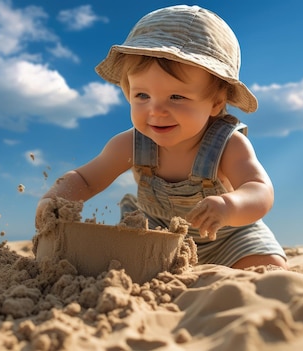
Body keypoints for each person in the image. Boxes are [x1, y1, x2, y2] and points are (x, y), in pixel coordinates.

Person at [35, 5, 287, 269]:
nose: (156, 110)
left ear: (215, 102)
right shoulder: (130, 144)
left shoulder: (227, 145)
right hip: (158, 235)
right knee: (119, 258)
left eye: (176, 97)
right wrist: (55, 199)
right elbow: (86, 180)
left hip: (229, 236)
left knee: (268, 266)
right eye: (142, 96)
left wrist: (229, 205)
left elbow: (259, 189)